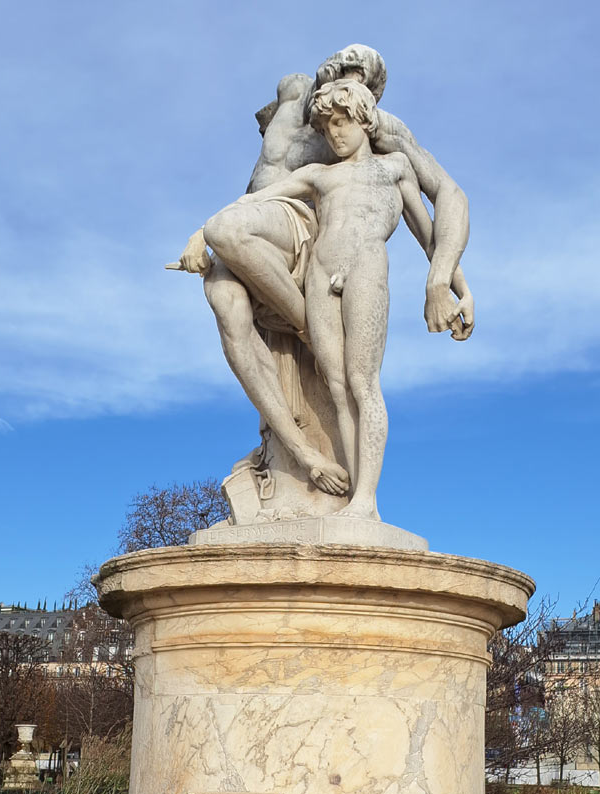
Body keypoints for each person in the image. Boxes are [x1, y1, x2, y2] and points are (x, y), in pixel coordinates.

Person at [173, 45, 473, 497]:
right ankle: (303, 454)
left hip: (306, 227)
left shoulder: (382, 137)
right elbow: (258, 184)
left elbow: (448, 197)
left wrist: (444, 279)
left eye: (362, 87)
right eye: (344, 75)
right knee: (222, 294)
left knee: (354, 381)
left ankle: (307, 328)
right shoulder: (298, 96)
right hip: (264, 222)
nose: (350, 88)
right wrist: (201, 232)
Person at [231, 80, 437, 519]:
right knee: (339, 389)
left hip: (365, 266)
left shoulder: (394, 167)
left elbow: (428, 235)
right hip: (322, 274)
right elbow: (253, 202)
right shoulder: (318, 175)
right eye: (326, 128)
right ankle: (354, 499)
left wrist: (452, 286)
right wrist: (200, 235)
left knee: (364, 384)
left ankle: (368, 499)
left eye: (342, 122)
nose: (335, 134)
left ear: (363, 119)